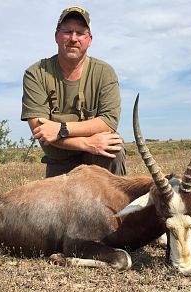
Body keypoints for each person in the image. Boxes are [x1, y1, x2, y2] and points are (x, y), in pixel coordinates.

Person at [21, 6, 126, 177]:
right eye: (68, 31)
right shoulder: (36, 73)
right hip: (59, 161)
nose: (73, 38)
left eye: (80, 33)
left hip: (97, 156)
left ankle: (118, 203)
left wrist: (61, 129)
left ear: (89, 39)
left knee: (114, 146)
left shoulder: (104, 72)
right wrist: (86, 142)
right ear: (56, 36)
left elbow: (108, 122)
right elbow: (41, 130)